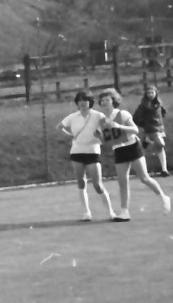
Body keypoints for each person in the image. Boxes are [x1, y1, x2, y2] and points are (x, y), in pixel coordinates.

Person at [97, 87, 171, 221]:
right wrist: (100, 137)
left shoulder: (122, 114)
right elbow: (107, 139)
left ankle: (164, 197)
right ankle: (125, 212)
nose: (105, 102)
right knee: (122, 182)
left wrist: (119, 126)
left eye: (107, 99)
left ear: (114, 101)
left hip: (132, 146)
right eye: (102, 100)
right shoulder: (102, 121)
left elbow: (135, 129)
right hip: (119, 150)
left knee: (144, 178)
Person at [58, 89, 116, 221]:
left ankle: (111, 212)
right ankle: (86, 212)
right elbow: (59, 127)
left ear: (90, 102)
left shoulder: (98, 116)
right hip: (77, 152)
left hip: (93, 152)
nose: (82, 103)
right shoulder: (72, 117)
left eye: (85, 100)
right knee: (81, 182)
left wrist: (100, 136)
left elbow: (106, 135)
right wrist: (71, 136)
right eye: (79, 100)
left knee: (97, 184)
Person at [133, 85, 169, 177]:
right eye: (148, 93)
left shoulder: (159, 103)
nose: (150, 95)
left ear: (156, 93)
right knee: (160, 144)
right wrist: (143, 124)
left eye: (152, 92)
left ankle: (164, 170)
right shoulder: (143, 105)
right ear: (145, 94)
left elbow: (163, 112)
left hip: (160, 128)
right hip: (151, 128)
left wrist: (160, 122)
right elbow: (136, 117)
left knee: (159, 148)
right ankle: (147, 139)